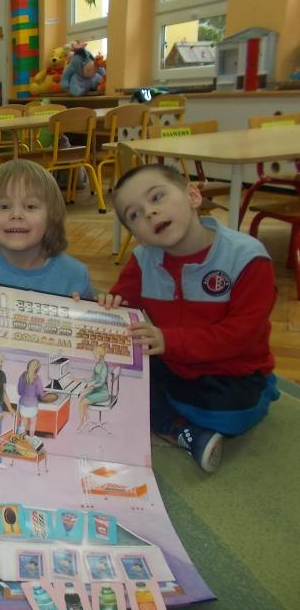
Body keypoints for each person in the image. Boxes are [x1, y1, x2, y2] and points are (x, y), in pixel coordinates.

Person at [99, 164, 279, 472]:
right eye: (135, 214)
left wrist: (168, 341)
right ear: (138, 236)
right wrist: (108, 305)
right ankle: (181, 428)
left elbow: (240, 336)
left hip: (231, 371)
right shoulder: (143, 259)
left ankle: (170, 419)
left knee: (231, 416)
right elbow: (123, 306)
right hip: (171, 364)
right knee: (111, 380)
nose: (150, 213)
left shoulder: (247, 257)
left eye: (157, 197)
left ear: (193, 196)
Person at [0, 160, 93, 298]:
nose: (16, 215)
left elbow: (89, 313)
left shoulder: (76, 277)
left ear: (52, 217)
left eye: (30, 206)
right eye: (4, 207)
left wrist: (101, 306)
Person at [76, 345, 110, 430]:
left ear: (100, 355)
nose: (94, 356)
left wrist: (86, 389)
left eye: (95, 354)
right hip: (97, 390)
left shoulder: (104, 366)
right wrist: (80, 379)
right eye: (94, 354)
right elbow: (93, 378)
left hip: (102, 392)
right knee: (82, 398)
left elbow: (101, 383)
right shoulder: (97, 364)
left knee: (83, 402)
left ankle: (81, 424)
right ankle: (87, 419)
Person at [17, 359, 45, 449]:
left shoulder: (22, 376)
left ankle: (22, 441)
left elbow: (19, 391)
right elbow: (41, 393)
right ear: (37, 369)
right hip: (32, 406)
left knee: (24, 423)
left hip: (23, 404)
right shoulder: (37, 379)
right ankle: (31, 440)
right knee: (33, 423)